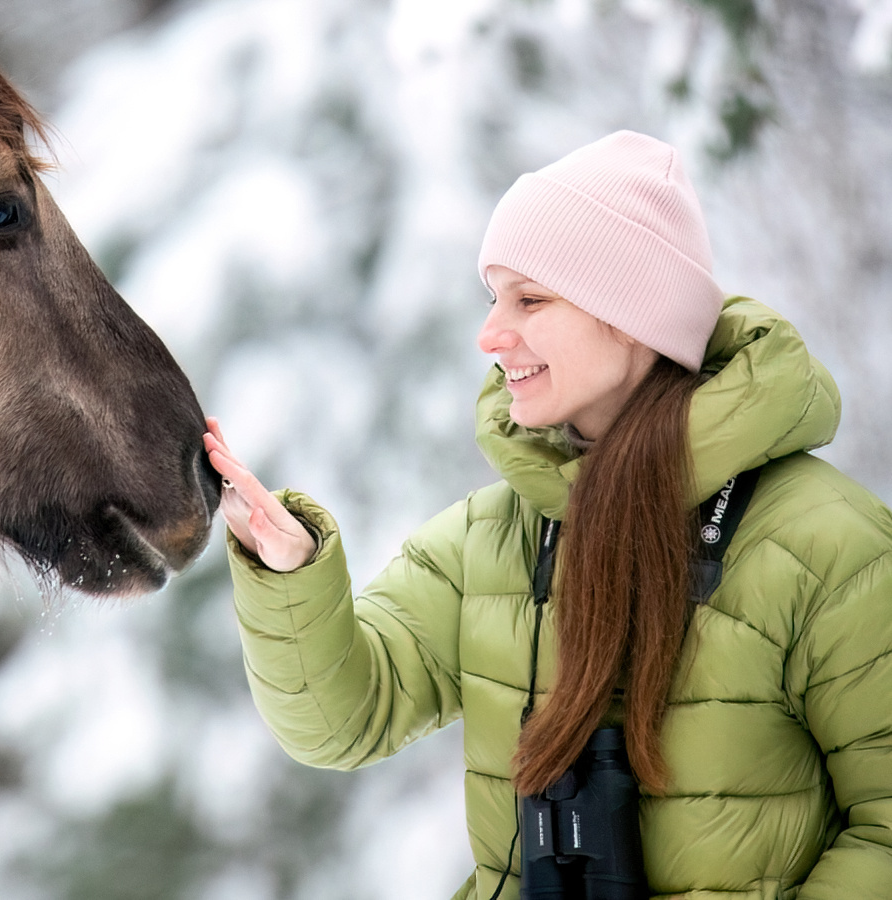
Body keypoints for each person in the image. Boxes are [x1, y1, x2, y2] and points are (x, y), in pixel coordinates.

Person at [204, 130, 892, 898]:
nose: (490, 335)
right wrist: (289, 570)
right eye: (493, 298)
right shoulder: (486, 540)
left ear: (631, 315)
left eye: (530, 299)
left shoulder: (831, 548)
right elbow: (342, 722)